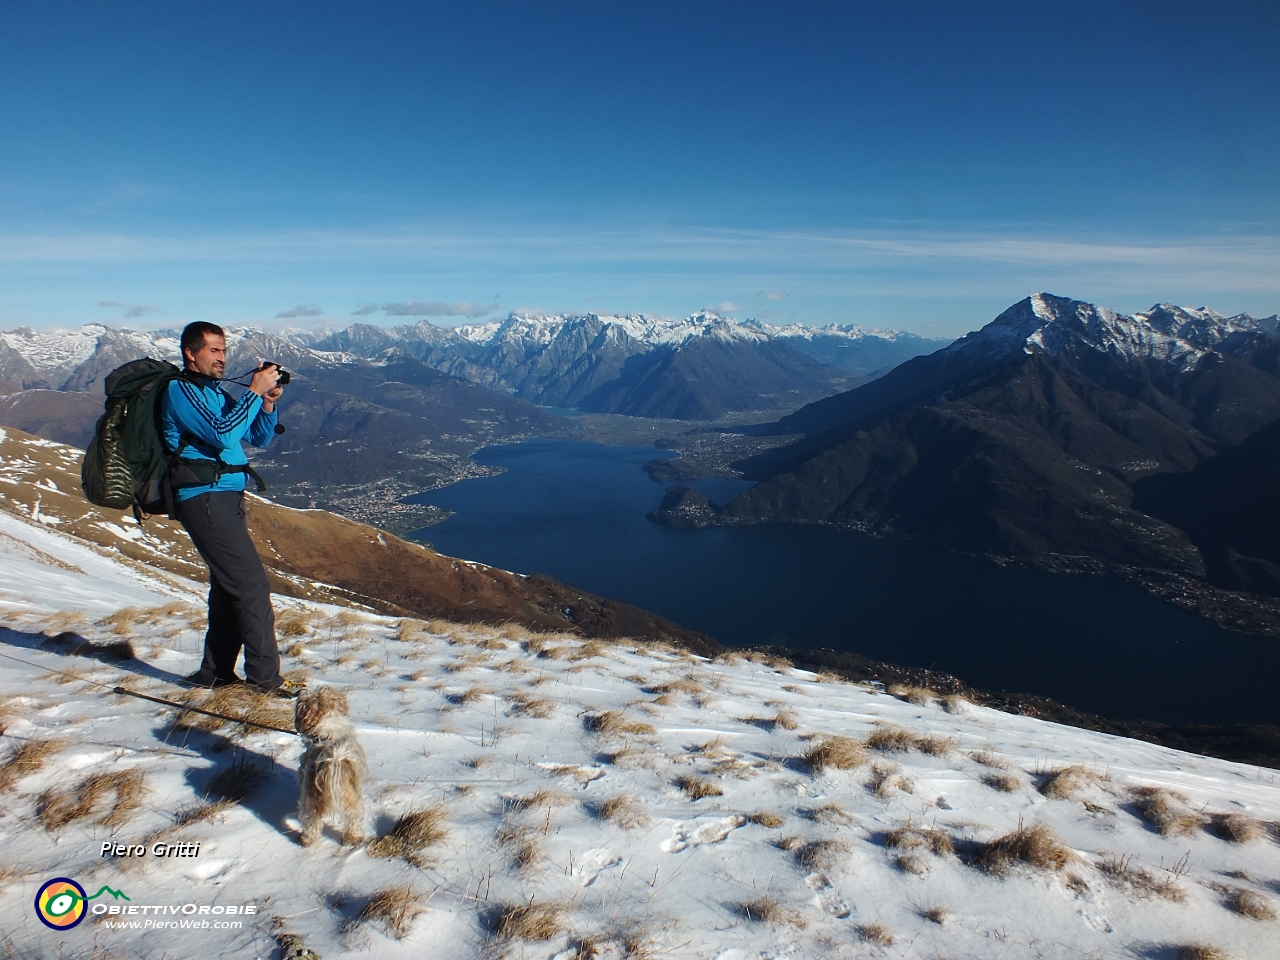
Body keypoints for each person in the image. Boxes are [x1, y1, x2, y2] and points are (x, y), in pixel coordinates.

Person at [161, 321, 300, 697]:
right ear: (191, 353)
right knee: (252, 587)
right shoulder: (181, 391)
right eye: (213, 350)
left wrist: (266, 402)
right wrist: (253, 391)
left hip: (223, 498)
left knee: (228, 588)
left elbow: (256, 435)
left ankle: (216, 673)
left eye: (223, 350)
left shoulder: (213, 392)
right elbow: (222, 434)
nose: (222, 357)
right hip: (204, 498)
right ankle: (265, 681)